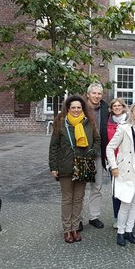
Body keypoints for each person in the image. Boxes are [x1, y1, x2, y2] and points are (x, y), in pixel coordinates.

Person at [49, 95, 100, 243]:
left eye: (79, 107)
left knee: (78, 198)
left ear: (82, 108)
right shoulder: (61, 122)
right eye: (73, 108)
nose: (76, 110)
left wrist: (93, 151)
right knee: (67, 199)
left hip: (84, 163)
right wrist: (53, 166)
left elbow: (97, 140)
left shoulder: (89, 122)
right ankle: (67, 230)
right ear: (68, 109)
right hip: (65, 165)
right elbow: (54, 146)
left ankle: (75, 228)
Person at [106, 102, 135, 246]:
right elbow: (109, 148)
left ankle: (129, 230)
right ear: (132, 113)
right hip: (126, 170)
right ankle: (120, 232)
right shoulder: (124, 128)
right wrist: (113, 166)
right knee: (126, 202)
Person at [84, 83, 108, 230]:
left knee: (96, 187)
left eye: (99, 93)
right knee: (79, 187)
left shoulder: (106, 109)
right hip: (82, 154)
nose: (97, 96)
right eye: (94, 93)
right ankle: (77, 219)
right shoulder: (80, 108)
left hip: (99, 154)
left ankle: (94, 216)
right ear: (88, 94)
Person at [106, 98, 128, 228]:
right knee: (116, 191)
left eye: (119, 106)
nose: (117, 108)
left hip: (128, 160)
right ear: (111, 108)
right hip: (114, 162)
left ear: (124, 107)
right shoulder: (108, 122)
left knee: (130, 189)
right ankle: (117, 216)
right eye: (115, 106)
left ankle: (134, 214)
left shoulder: (129, 121)